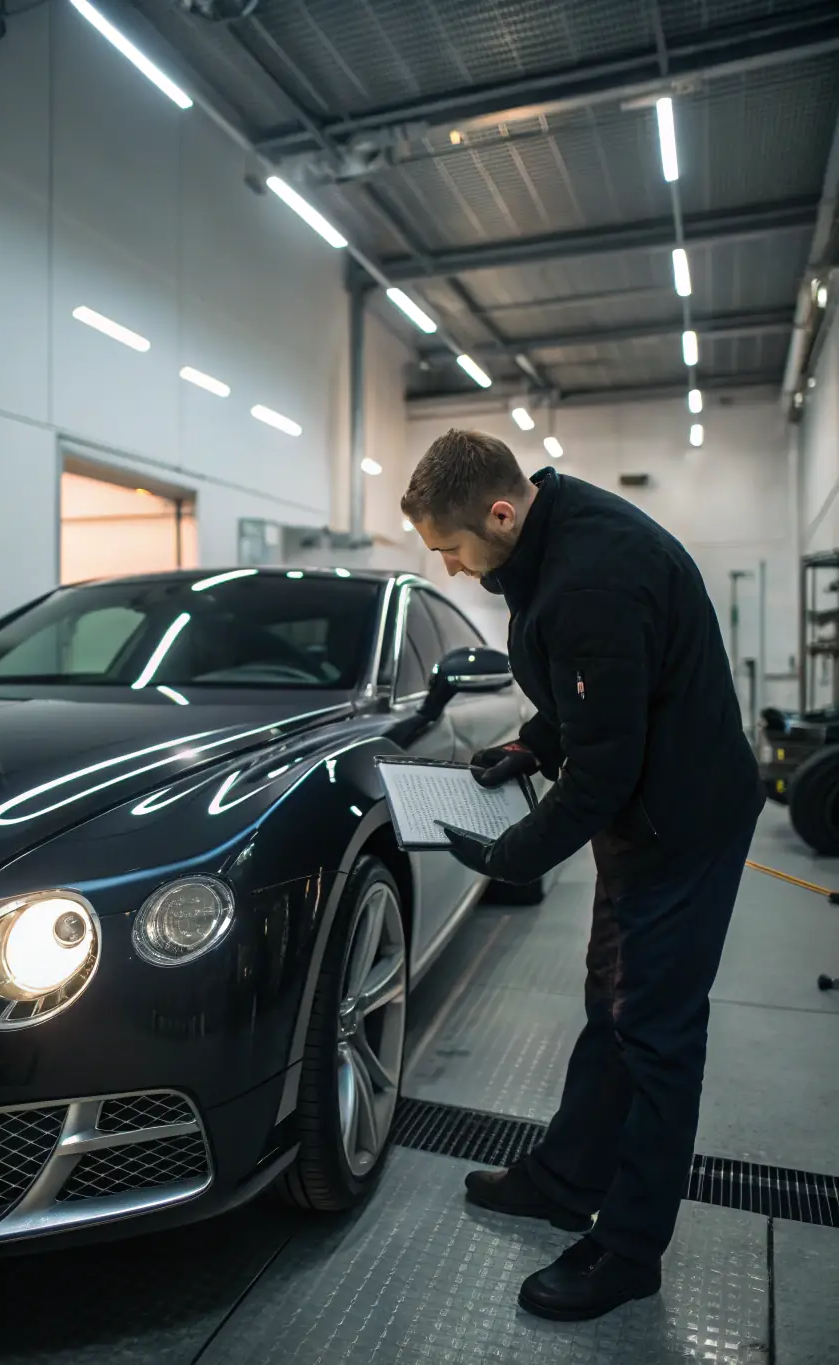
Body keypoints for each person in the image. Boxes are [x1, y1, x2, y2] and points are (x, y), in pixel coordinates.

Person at [401, 428, 765, 1323]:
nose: (448, 568)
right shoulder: (555, 545)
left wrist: (509, 856)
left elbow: (605, 772)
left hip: (678, 827)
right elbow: (591, 698)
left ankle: (629, 1246)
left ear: (498, 511)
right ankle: (567, 1179)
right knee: (614, 1002)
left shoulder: (591, 575)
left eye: (450, 548)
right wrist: (530, 741)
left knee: (655, 1033)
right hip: (648, 815)